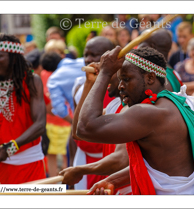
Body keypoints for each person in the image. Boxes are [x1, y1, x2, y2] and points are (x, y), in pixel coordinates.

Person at [75, 46, 194, 195]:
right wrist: (113, 181)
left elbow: (85, 128)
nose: (120, 86)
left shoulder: (149, 114)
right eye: (119, 80)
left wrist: (104, 73)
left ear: (150, 78)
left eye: (126, 79)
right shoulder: (181, 103)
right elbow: (161, 167)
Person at [0, 34, 46, 184]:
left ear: (14, 59)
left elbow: (40, 124)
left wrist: (11, 147)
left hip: (30, 161)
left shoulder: (32, 81)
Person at [60, 62, 131, 194]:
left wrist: (80, 170)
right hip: (116, 188)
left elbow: (121, 159)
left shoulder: (135, 110)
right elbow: (79, 131)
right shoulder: (114, 106)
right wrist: (89, 83)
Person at [68, 36, 116, 190]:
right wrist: (72, 164)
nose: (88, 59)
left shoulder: (120, 88)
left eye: (94, 55)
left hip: (113, 161)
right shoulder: (79, 87)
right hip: (84, 159)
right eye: (86, 54)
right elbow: (75, 131)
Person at [40, 52, 71, 177]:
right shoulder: (45, 74)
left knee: (67, 156)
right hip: (53, 121)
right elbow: (45, 96)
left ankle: (67, 184)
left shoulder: (61, 73)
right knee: (52, 155)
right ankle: (56, 188)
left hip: (66, 121)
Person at [138, 28, 183, 92]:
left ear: (151, 47)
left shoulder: (151, 79)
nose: (137, 47)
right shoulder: (175, 75)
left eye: (141, 43)